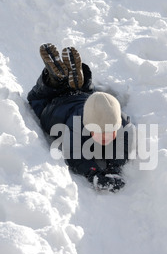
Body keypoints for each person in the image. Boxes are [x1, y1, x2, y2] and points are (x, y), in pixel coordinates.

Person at [27, 43, 135, 192]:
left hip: (85, 98)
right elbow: (74, 153)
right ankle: (54, 79)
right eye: (101, 133)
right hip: (57, 106)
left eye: (110, 132)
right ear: (88, 126)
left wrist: (115, 168)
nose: (106, 137)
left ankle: (69, 79)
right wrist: (94, 173)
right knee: (37, 101)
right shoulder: (76, 123)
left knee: (86, 92)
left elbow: (124, 144)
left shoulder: (122, 123)